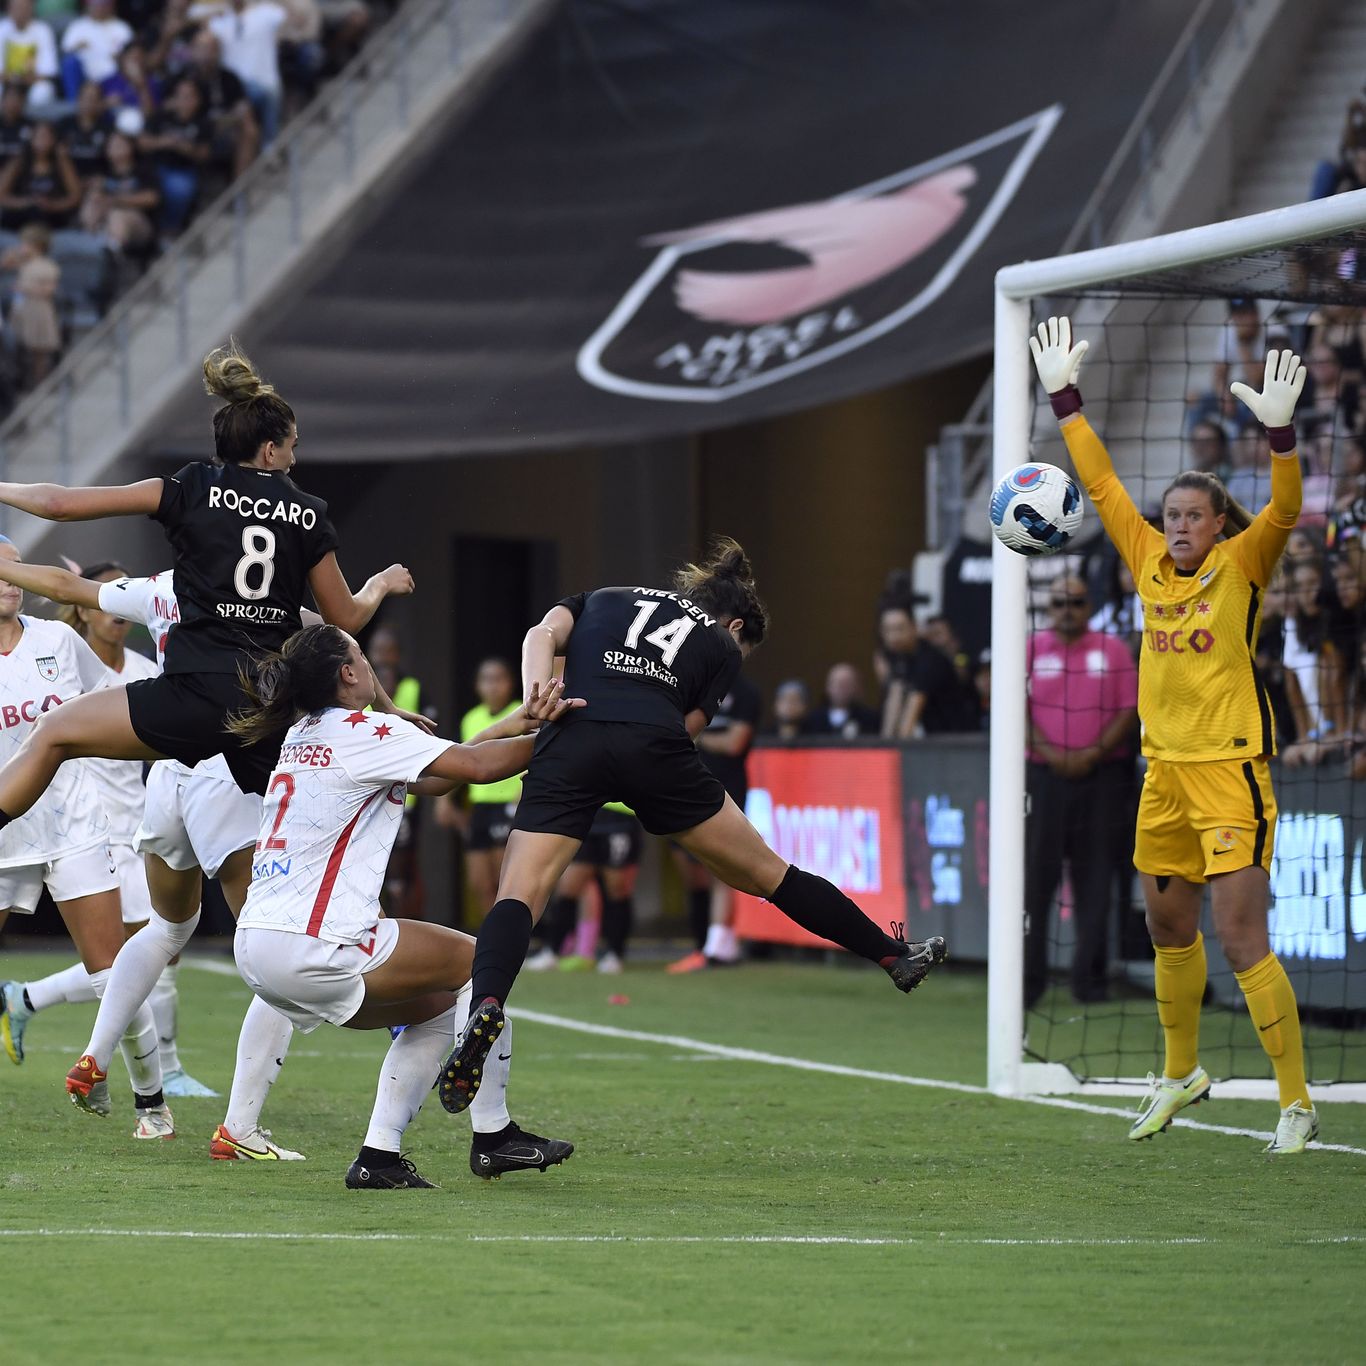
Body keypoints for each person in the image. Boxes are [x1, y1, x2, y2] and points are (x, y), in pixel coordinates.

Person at [0, 341, 416, 1104]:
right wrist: (384, 582)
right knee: (305, 868)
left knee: (55, 737)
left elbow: (60, 507)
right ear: (270, 447)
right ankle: (385, 975)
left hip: (182, 701)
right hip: (260, 715)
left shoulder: (190, 488)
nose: (296, 456)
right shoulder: (307, 512)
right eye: (292, 445)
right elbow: (345, 619)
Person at [436, 539, 948, 1116]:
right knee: (769, 875)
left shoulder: (603, 596)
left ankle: (488, 1004)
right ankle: (891, 956)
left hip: (571, 735)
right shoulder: (720, 647)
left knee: (519, 895)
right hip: (655, 748)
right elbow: (686, 731)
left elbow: (539, 636)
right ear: (734, 622)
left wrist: (538, 694)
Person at [1030, 314, 1319, 1154]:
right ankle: (1180, 1073)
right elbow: (1104, 484)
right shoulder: (1145, 556)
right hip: (1162, 777)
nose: (1180, 524)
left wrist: (1281, 436)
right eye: (1173, 514)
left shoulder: (1245, 562)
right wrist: (1065, 400)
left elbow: (1290, 506)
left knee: (1241, 938)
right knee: (1167, 929)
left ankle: (1295, 1100)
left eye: (1195, 515)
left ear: (1221, 524)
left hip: (1230, 773)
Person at [232, 623, 577, 1188]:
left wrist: (518, 724)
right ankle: (494, 1137)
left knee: (443, 1008)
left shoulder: (303, 733)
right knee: (481, 962)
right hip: (315, 942)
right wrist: (575, 739)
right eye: (361, 657)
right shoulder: (361, 731)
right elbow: (479, 769)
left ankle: (379, 1157)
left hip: (257, 949)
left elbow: (439, 778)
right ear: (348, 673)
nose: (369, 666)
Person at [0, 539, 168, 1137]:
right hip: (3, 834)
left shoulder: (57, 640)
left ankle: (152, 1105)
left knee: (113, 970)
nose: (10, 578)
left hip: (74, 826)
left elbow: (114, 701)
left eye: (16, 566)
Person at [1024, 573, 1138, 1007]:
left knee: (1097, 882)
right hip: (1043, 779)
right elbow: (1013, 706)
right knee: (1035, 883)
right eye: (1059, 603)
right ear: (1049, 608)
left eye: (1075, 602)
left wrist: (1092, 752)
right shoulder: (1031, 649)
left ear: (1088, 606)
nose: (1067, 610)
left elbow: (1130, 708)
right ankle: (1027, 983)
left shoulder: (1112, 650)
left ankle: (1090, 983)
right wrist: (1051, 753)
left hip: (1102, 779)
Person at [436, 656, 521, 918]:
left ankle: (511, 939)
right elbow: (463, 759)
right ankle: (489, 940)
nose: (493, 686)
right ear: (477, 686)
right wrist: (444, 799)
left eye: (499, 679)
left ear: (510, 683)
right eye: (486, 680)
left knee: (503, 880)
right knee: (478, 882)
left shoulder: (522, 711)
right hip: (480, 806)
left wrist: (521, 798)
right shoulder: (471, 718)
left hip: (509, 803)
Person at [529, 802, 641, 974]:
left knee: (617, 888)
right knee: (568, 887)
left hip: (620, 816)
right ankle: (552, 951)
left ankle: (615, 954)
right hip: (588, 811)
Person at [876, 599, 975, 737]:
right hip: (935, 739)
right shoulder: (898, 658)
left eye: (899, 628)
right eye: (888, 630)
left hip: (958, 741)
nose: (894, 637)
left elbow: (913, 709)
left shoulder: (929, 659)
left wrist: (897, 749)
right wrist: (884, 746)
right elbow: (894, 698)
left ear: (914, 627)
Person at [206, 0, 286, 146]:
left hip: (263, 82)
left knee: (269, 93)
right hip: (232, 85)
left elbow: (290, 17)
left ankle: (270, 146)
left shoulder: (265, 12)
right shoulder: (218, 20)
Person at [139, 75, 212, 235]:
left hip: (183, 170)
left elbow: (204, 154)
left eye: (189, 96)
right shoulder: (161, 116)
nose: (184, 101)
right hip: (154, 167)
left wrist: (185, 147)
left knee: (180, 189)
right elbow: (142, 143)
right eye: (180, 96)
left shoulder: (203, 123)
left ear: (198, 100)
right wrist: (164, 142)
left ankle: (168, 228)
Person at [79, 128, 159, 255]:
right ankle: (90, 246)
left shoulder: (143, 169)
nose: (116, 147)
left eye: (121, 143)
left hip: (141, 223)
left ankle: (112, 255)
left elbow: (152, 198)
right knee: (91, 203)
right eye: (112, 145)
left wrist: (116, 200)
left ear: (131, 146)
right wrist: (96, 192)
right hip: (106, 221)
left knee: (117, 215)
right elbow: (96, 201)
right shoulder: (104, 175)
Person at [0, 222, 61, 387]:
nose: (22, 247)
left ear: (37, 246)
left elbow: (48, 291)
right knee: (20, 347)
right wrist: (11, 255)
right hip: (22, 310)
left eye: (25, 244)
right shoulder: (23, 264)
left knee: (39, 352)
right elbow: (4, 264)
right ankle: (22, 381)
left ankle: (40, 383)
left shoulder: (47, 266)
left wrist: (26, 288)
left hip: (39, 311)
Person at [0, 120, 81, 228]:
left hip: (52, 213)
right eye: (39, 137)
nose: (43, 141)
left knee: (41, 215)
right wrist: (27, 202)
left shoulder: (62, 162)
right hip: (23, 211)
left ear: (54, 140)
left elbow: (75, 196)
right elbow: (2, 195)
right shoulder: (19, 162)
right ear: (31, 140)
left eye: (47, 137)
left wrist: (53, 205)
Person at [59, 0, 132, 98]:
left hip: (112, 75)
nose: (99, 8)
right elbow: (65, 51)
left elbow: (131, 55)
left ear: (111, 6)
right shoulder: (78, 26)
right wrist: (77, 47)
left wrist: (119, 57)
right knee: (70, 62)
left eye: (103, 5)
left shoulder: (121, 28)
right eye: (95, 5)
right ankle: (74, 104)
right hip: (84, 76)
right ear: (88, 6)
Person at [0, 0, 59, 107]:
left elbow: (47, 72)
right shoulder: (2, 28)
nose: (20, 12)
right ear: (9, 9)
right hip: (6, 83)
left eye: (24, 8)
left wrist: (21, 79)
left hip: (32, 83)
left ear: (31, 9)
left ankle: (35, 121)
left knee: (42, 91)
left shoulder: (43, 30)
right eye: (16, 8)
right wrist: (13, 79)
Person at [801, 661, 879, 738]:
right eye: (837, 683)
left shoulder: (869, 719)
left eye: (847, 684)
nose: (841, 688)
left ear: (856, 687)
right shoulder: (813, 719)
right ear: (828, 687)